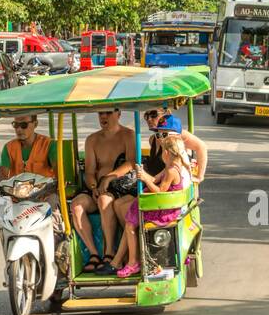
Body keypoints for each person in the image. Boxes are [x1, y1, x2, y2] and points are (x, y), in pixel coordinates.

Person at [110, 132, 191, 278]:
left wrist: (145, 180)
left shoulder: (172, 171)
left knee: (130, 224)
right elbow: (154, 179)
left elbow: (160, 190)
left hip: (162, 209)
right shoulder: (171, 167)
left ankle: (133, 262)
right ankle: (130, 259)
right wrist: (142, 173)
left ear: (166, 153)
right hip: (160, 205)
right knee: (130, 220)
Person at [70, 108, 137, 274]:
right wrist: (94, 187)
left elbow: (131, 163)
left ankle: (109, 253)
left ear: (118, 114)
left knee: (104, 201)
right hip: (96, 188)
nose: (104, 117)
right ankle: (93, 254)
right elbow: (90, 171)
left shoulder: (128, 135)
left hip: (119, 187)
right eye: (101, 113)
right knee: (77, 205)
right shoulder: (92, 139)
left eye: (108, 113)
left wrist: (109, 178)